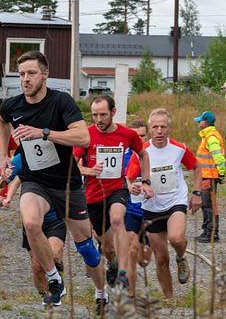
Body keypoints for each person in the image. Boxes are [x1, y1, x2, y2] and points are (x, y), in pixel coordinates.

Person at [0, 50, 107, 311]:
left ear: (45, 75)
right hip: (35, 181)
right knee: (31, 222)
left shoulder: (61, 102)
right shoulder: (12, 105)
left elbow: (83, 138)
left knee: (86, 249)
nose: (25, 79)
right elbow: (1, 121)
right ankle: (55, 279)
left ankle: (102, 291)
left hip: (66, 183)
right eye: (21, 74)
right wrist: (3, 155)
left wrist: (44, 133)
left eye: (31, 73)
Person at [72, 95, 149, 290]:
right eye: (95, 115)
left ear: (113, 112)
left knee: (117, 219)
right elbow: (71, 165)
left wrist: (146, 180)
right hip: (93, 195)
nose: (99, 119)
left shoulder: (127, 134)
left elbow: (143, 154)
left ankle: (123, 271)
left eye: (103, 115)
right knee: (107, 247)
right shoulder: (86, 135)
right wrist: (89, 170)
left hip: (117, 188)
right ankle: (113, 262)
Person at [136, 107, 201, 299]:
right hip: (152, 207)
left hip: (175, 202)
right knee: (161, 258)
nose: (159, 131)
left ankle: (181, 257)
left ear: (169, 128)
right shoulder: (142, 152)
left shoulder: (179, 149)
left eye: (163, 127)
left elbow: (197, 167)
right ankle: (169, 299)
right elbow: (129, 178)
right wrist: (135, 187)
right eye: (155, 127)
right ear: (149, 128)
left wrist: (197, 192)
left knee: (176, 238)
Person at [0, 154, 67, 301]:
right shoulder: (22, 156)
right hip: (32, 220)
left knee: (54, 255)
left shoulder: (59, 151)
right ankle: (48, 298)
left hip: (55, 218)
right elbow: (2, 182)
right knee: (37, 266)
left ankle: (56, 280)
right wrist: (2, 178)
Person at [122, 120, 154, 297]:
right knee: (132, 252)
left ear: (146, 136)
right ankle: (130, 296)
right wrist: (127, 186)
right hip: (130, 210)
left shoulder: (152, 154)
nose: (138, 139)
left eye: (141, 135)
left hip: (151, 212)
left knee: (144, 260)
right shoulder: (123, 156)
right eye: (134, 135)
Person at [193, 111, 224, 243]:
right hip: (206, 176)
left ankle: (211, 233)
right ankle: (207, 231)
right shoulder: (208, 136)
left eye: (200, 120)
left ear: (205, 122)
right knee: (207, 205)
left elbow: (218, 157)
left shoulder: (211, 137)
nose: (198, 122)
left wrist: (222, 173)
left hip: (209, 177)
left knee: (209, 205)